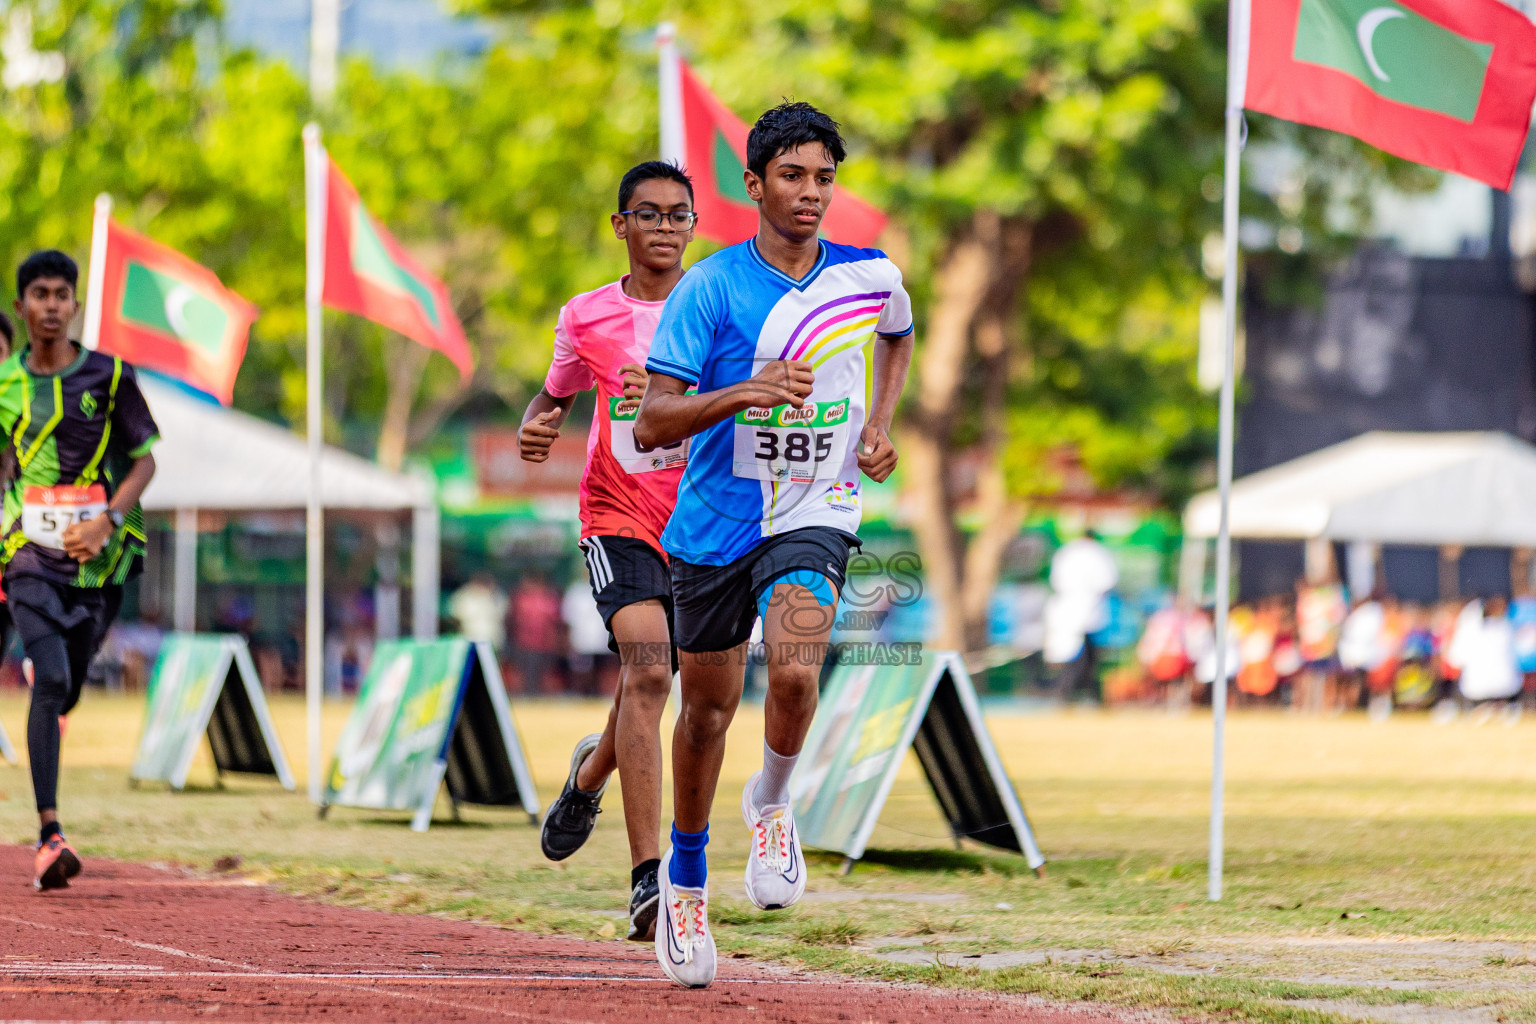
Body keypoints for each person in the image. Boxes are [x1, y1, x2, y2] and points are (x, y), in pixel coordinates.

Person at [634, 102, 914, 988]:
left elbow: (900, 334)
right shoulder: (709, 288)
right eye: (792, 176)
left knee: (795, 664)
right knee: (707, 713)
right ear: (753, 185)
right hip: (713, 524)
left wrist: (878, 423)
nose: (810, 194)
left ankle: (774, 801)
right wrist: (745, 393)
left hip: (815, 509)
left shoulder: (870, 276)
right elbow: (652, 421)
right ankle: (685, 878)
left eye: (824, 178)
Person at [517, 160, 697, 943]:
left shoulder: (719, 306)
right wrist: (537, 422)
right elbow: (554, 392)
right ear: (620, 226)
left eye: (679, 215)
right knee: (651, 669)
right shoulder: (586, 316)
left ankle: (590, 775)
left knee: (649, 676)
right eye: (648, 214)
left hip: (704, 525)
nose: (665, 227)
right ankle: (646, 881)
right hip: (615, 513)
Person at [0, 250, 158, 890]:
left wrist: (107, 521)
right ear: (22, 307)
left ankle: (55, 695)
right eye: (39, 294)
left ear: (75, 304)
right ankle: (49, 835)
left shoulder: (112, 376)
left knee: (68, 685)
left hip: (99, 557)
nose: (51, 305)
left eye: (62, 294)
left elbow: (145, 460)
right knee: (52, 677)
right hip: (28, 553)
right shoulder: (4, 386)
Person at [447, 572, 508, 651]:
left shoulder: (497, 595)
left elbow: (502, 614)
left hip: (493, 640)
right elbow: (456, 616)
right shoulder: (464, 596)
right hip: (471, 640)